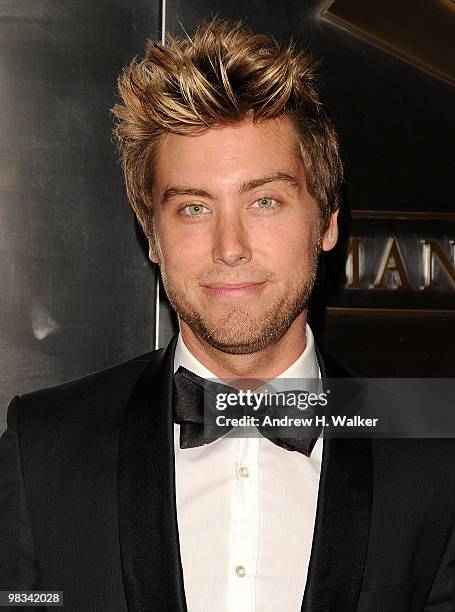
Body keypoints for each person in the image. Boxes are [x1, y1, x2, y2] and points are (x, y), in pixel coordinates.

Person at [1, 18, 454, 612]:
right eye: (193, 208)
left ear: (327, 220)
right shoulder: (45, 448)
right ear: (152, 234)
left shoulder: (436, 451)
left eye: (264, 201)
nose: (230, 246)